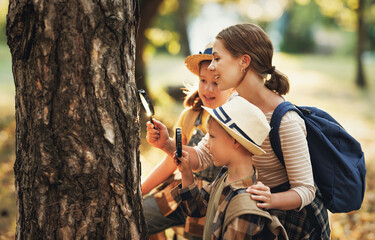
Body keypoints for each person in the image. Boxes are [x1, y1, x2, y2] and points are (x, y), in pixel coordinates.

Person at [146, 23, 330, 239]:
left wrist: (271, 199)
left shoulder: (285, 120)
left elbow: (306, 190)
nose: (211, 67)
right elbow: (204, 155)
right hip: (249, 210)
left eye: (217, 58)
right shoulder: (234, 103)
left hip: (292, 224)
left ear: (244, 61)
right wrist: (167, 144)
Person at [142, 43, 235, 239]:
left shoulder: (236, 121)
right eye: (203, 80)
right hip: (176, 195)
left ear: (232, 84)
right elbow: (170, 161)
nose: (208, 89)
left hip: (211, 207)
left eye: (216, 82)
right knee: (137, 217)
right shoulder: (191, 116)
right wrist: (140, 191)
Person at [171, 95, 288, 240]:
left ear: (236, 141)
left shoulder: (246, 208)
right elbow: (196, 208)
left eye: (212, 136)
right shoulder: (226, 177)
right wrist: (186, 173)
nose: (207, 144)